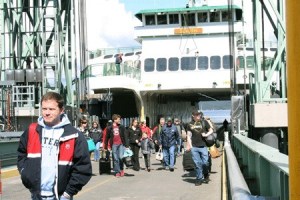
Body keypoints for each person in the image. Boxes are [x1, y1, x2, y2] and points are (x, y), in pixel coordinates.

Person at [17, 92, 92, 200]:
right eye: (44, 109)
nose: (47, 113)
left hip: (61, 196)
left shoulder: (74, 135)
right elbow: (21, 154)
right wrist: (25, 172)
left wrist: (68, 193)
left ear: (61, 110)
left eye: (51, 109)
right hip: (36, 195)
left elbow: (83, 167)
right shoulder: (32, 131)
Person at [186, 110, 213, 186]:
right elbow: (188, 135)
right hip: (194, 147)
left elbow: (211, 130)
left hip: (203, 146)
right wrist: (190, 146)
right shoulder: (189, 124)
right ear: (193, 116)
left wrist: (206, 134)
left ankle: (206, 174)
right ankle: (199, 179)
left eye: (199, 115)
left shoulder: (204, 122)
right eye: (197, 115)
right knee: (197, 164)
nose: (198, 116)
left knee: (205, 163)